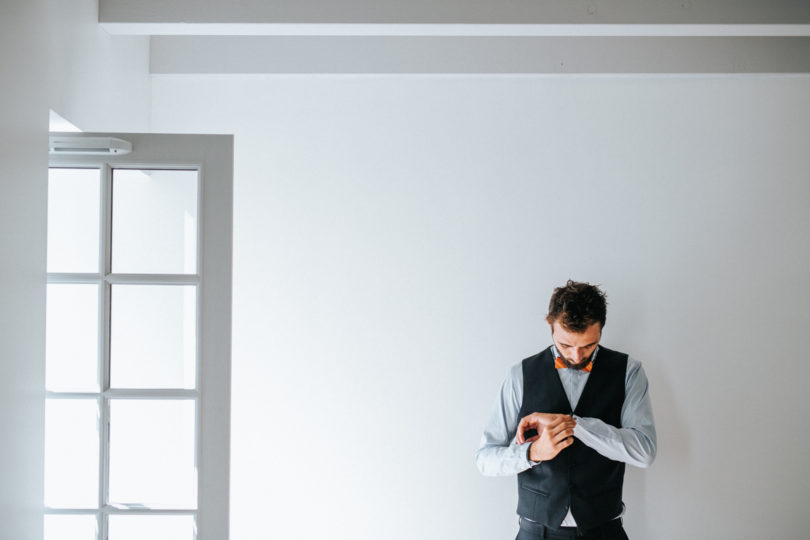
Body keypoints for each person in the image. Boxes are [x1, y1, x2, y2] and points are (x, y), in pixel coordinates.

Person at [475, 280, 656, 540]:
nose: (575, 355)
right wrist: (533, 452)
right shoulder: (519, 376)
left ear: (601, 329)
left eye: (588, 346)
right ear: (550, 324)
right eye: (566, 345)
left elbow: (645, 451)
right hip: (536, 533)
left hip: (604, 531)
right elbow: (485, 459)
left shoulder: (629, 371)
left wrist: (574, 425)